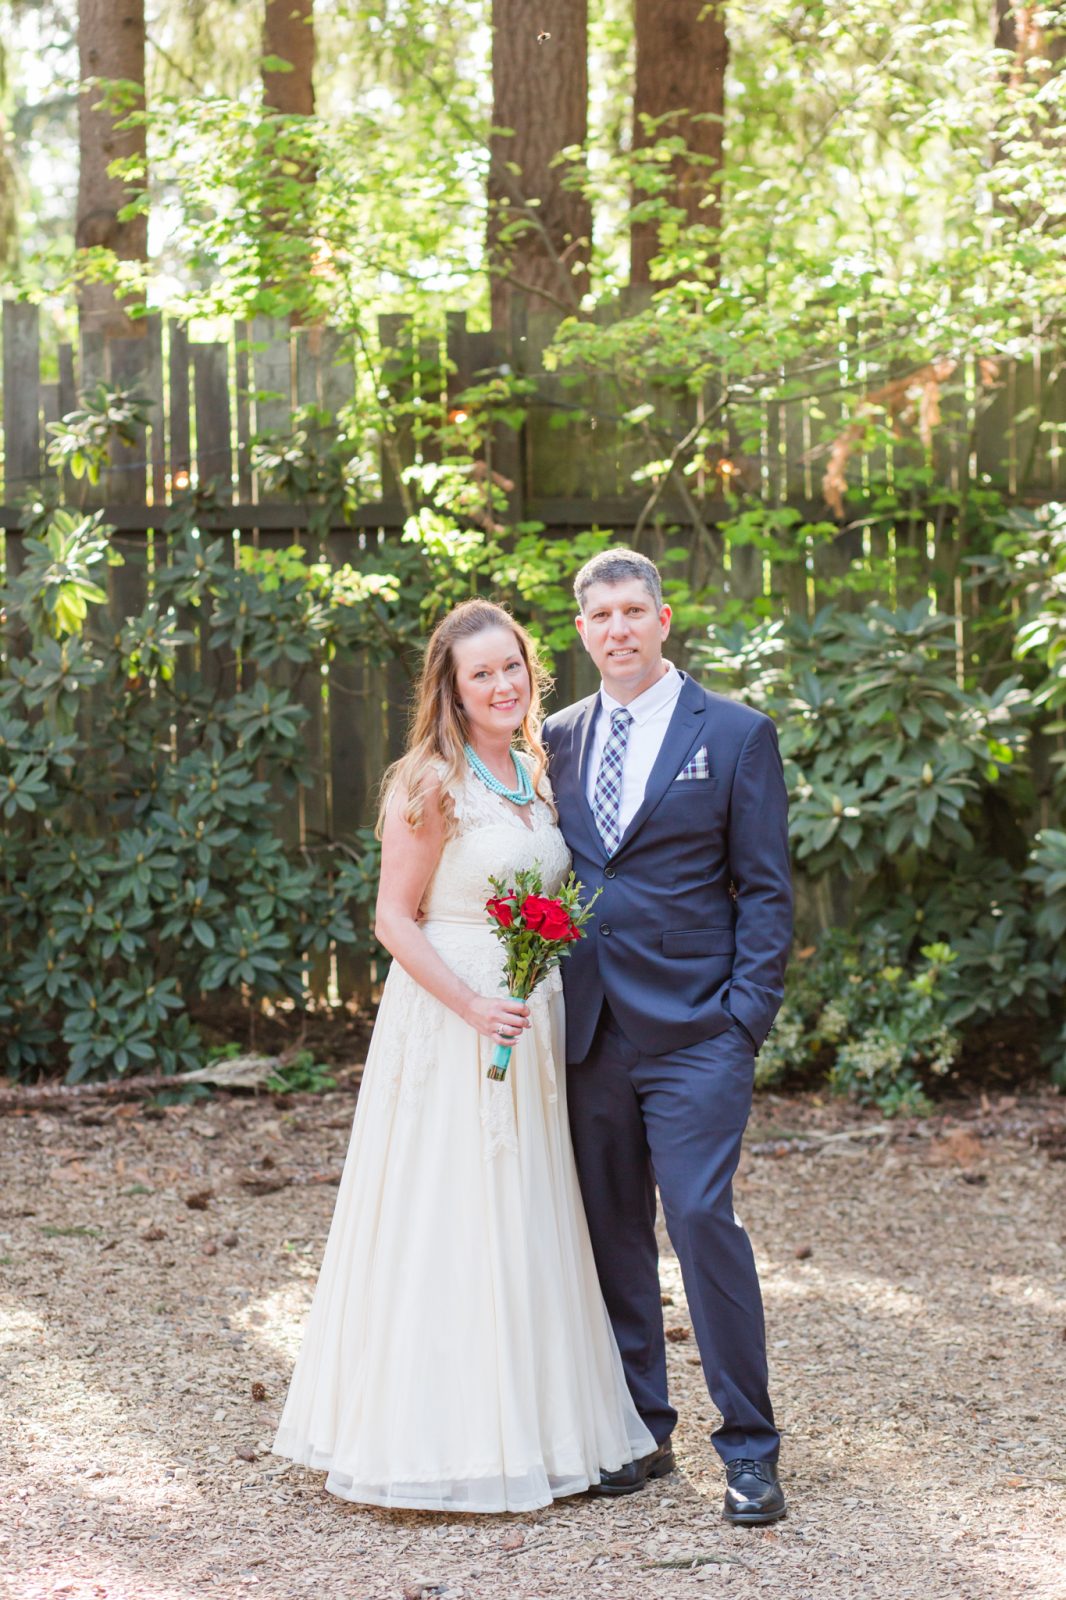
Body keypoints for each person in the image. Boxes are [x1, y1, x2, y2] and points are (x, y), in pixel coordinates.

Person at [272, 598, 654, 1513]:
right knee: (450, 1209)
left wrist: (525, 987)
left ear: (531, 673)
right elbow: (392, 918)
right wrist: (475, 1002)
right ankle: (437, 1437)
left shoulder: (533, 769)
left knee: (527, 1210)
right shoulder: (428, 780)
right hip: (452, 1018)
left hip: (532, 1017)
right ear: (449, 686)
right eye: (479, 672)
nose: (500, 684)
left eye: (512, 667)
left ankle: (538, 1425)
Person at [542, 549, 793, 1526]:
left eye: (632, 610)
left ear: (663, 617)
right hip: (590, 1031)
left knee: (697, 1220)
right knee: (609, 1236)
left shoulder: (733, 735)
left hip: (698, 1033)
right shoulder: (554, 738)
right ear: (581, 629)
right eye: (599, 614)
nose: (617, 628)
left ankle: (751, 1448)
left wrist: (744, 1020)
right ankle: (641, 1428)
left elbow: (766, 891)